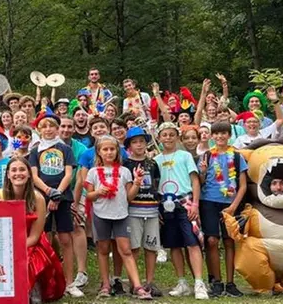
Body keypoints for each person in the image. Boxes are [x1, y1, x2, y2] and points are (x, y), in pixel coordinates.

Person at [84, 135, 152, 300]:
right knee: (103, 249)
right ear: (99, 152)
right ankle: (105, 284)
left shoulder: (124, 171)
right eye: (105, 149)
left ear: (117, 151)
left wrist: (136, 183)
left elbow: (129, 197)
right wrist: (98, 192)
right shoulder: (93, 172)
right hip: (101, 215)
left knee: (126, 250)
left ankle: (137, 286)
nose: (109, 152)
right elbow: (89, 196)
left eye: (112, 149)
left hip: (121, 214)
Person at [0, 157, 66, 303]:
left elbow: (35, 236)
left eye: (22, 170)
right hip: (3, 244)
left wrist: (16, 249)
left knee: (30, 259)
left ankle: (32, 294)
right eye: (13, 170)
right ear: (7, 174)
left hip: (31, 242)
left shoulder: (38, 198)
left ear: (29, 174)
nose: (18, 173)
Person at [28, 112, 82, 298]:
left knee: (66, 239)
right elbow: (34, 176)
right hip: (41, 198)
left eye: (52, 125)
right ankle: (46, 281)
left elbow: (68, 174)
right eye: (44, 126)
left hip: (63, 197)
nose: (48, 129)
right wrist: (48, 192)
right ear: (39, 129)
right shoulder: (35, 151)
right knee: (45, 239)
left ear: (57, 128)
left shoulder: (65, 148)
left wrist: (57, 194)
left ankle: (69, 282)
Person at [154, 122, 208, 299]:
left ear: (177, 137)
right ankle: (182, 281)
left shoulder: (184, 156)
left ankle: (199, 282)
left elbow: (195, 181)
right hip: (165, 205)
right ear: (159, 138)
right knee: (174, 245)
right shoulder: (156, 160)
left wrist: (195, 204)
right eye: (164, 135)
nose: (168, 138)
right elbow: (155, 185)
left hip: (185, 202)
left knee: (192, 242)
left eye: (171, 134)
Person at [198, 122, 247, 297]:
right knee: (211, 240)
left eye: (223, 133)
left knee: (229, 241)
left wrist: (234, 206)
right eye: (216, 134)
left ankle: (231, 282)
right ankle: (216, 282)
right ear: (212, 136)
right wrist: (202, 172)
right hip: (209, 202)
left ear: (229, 135)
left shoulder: (237, 156)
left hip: (230, 204)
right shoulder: (206, 156)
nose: (220, 137)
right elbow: (200, 183)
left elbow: (242, 186)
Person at [122, 127, 162, 297]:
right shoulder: (126, 164)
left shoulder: (153, 164)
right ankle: (134, 282)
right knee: (134, 247)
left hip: (151, 210)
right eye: (135, 142)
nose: (139, 145)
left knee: (151, 247)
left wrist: (159, 207)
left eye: (142, 141)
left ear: (147, 143)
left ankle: (149, 282)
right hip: (133, 210)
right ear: (129, 145)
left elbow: (156, 185)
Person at [58, 117, 90, 290]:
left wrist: (75, 203)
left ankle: (82, 272)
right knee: (56, 231)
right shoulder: (47, 147)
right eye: (63, 126)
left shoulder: (82, 149)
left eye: (69, 126)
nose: (66, 129)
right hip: (54, 192)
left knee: (77, 226)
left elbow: (79, 179)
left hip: (76, 191)